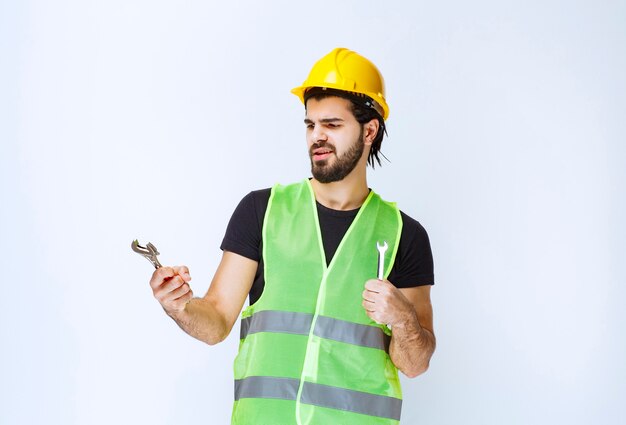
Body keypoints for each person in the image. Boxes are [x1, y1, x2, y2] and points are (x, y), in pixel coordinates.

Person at [149, 47, 436, 424]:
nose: (317, 137)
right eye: (310, 124)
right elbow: (216, 320)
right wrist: (180, 305)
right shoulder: (261, 211)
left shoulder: (404, 235)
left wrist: (402, 319)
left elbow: (414, 364)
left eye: (332, 125)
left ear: (369, 130)